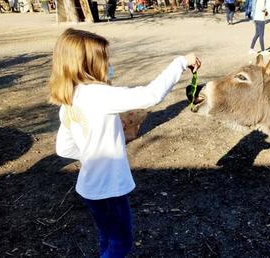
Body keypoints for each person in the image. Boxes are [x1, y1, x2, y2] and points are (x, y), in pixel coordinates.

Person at [49, 28, 201, 258]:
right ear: (88, 63)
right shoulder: (98, 94)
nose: (108, 63)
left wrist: (91, 154)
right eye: (104, 58)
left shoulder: (70, 98)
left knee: (107, 237)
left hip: (89, 187)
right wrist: (180, 62)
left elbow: (64, 148)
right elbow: (150, 95)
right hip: (109, 188)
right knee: (121, 244)